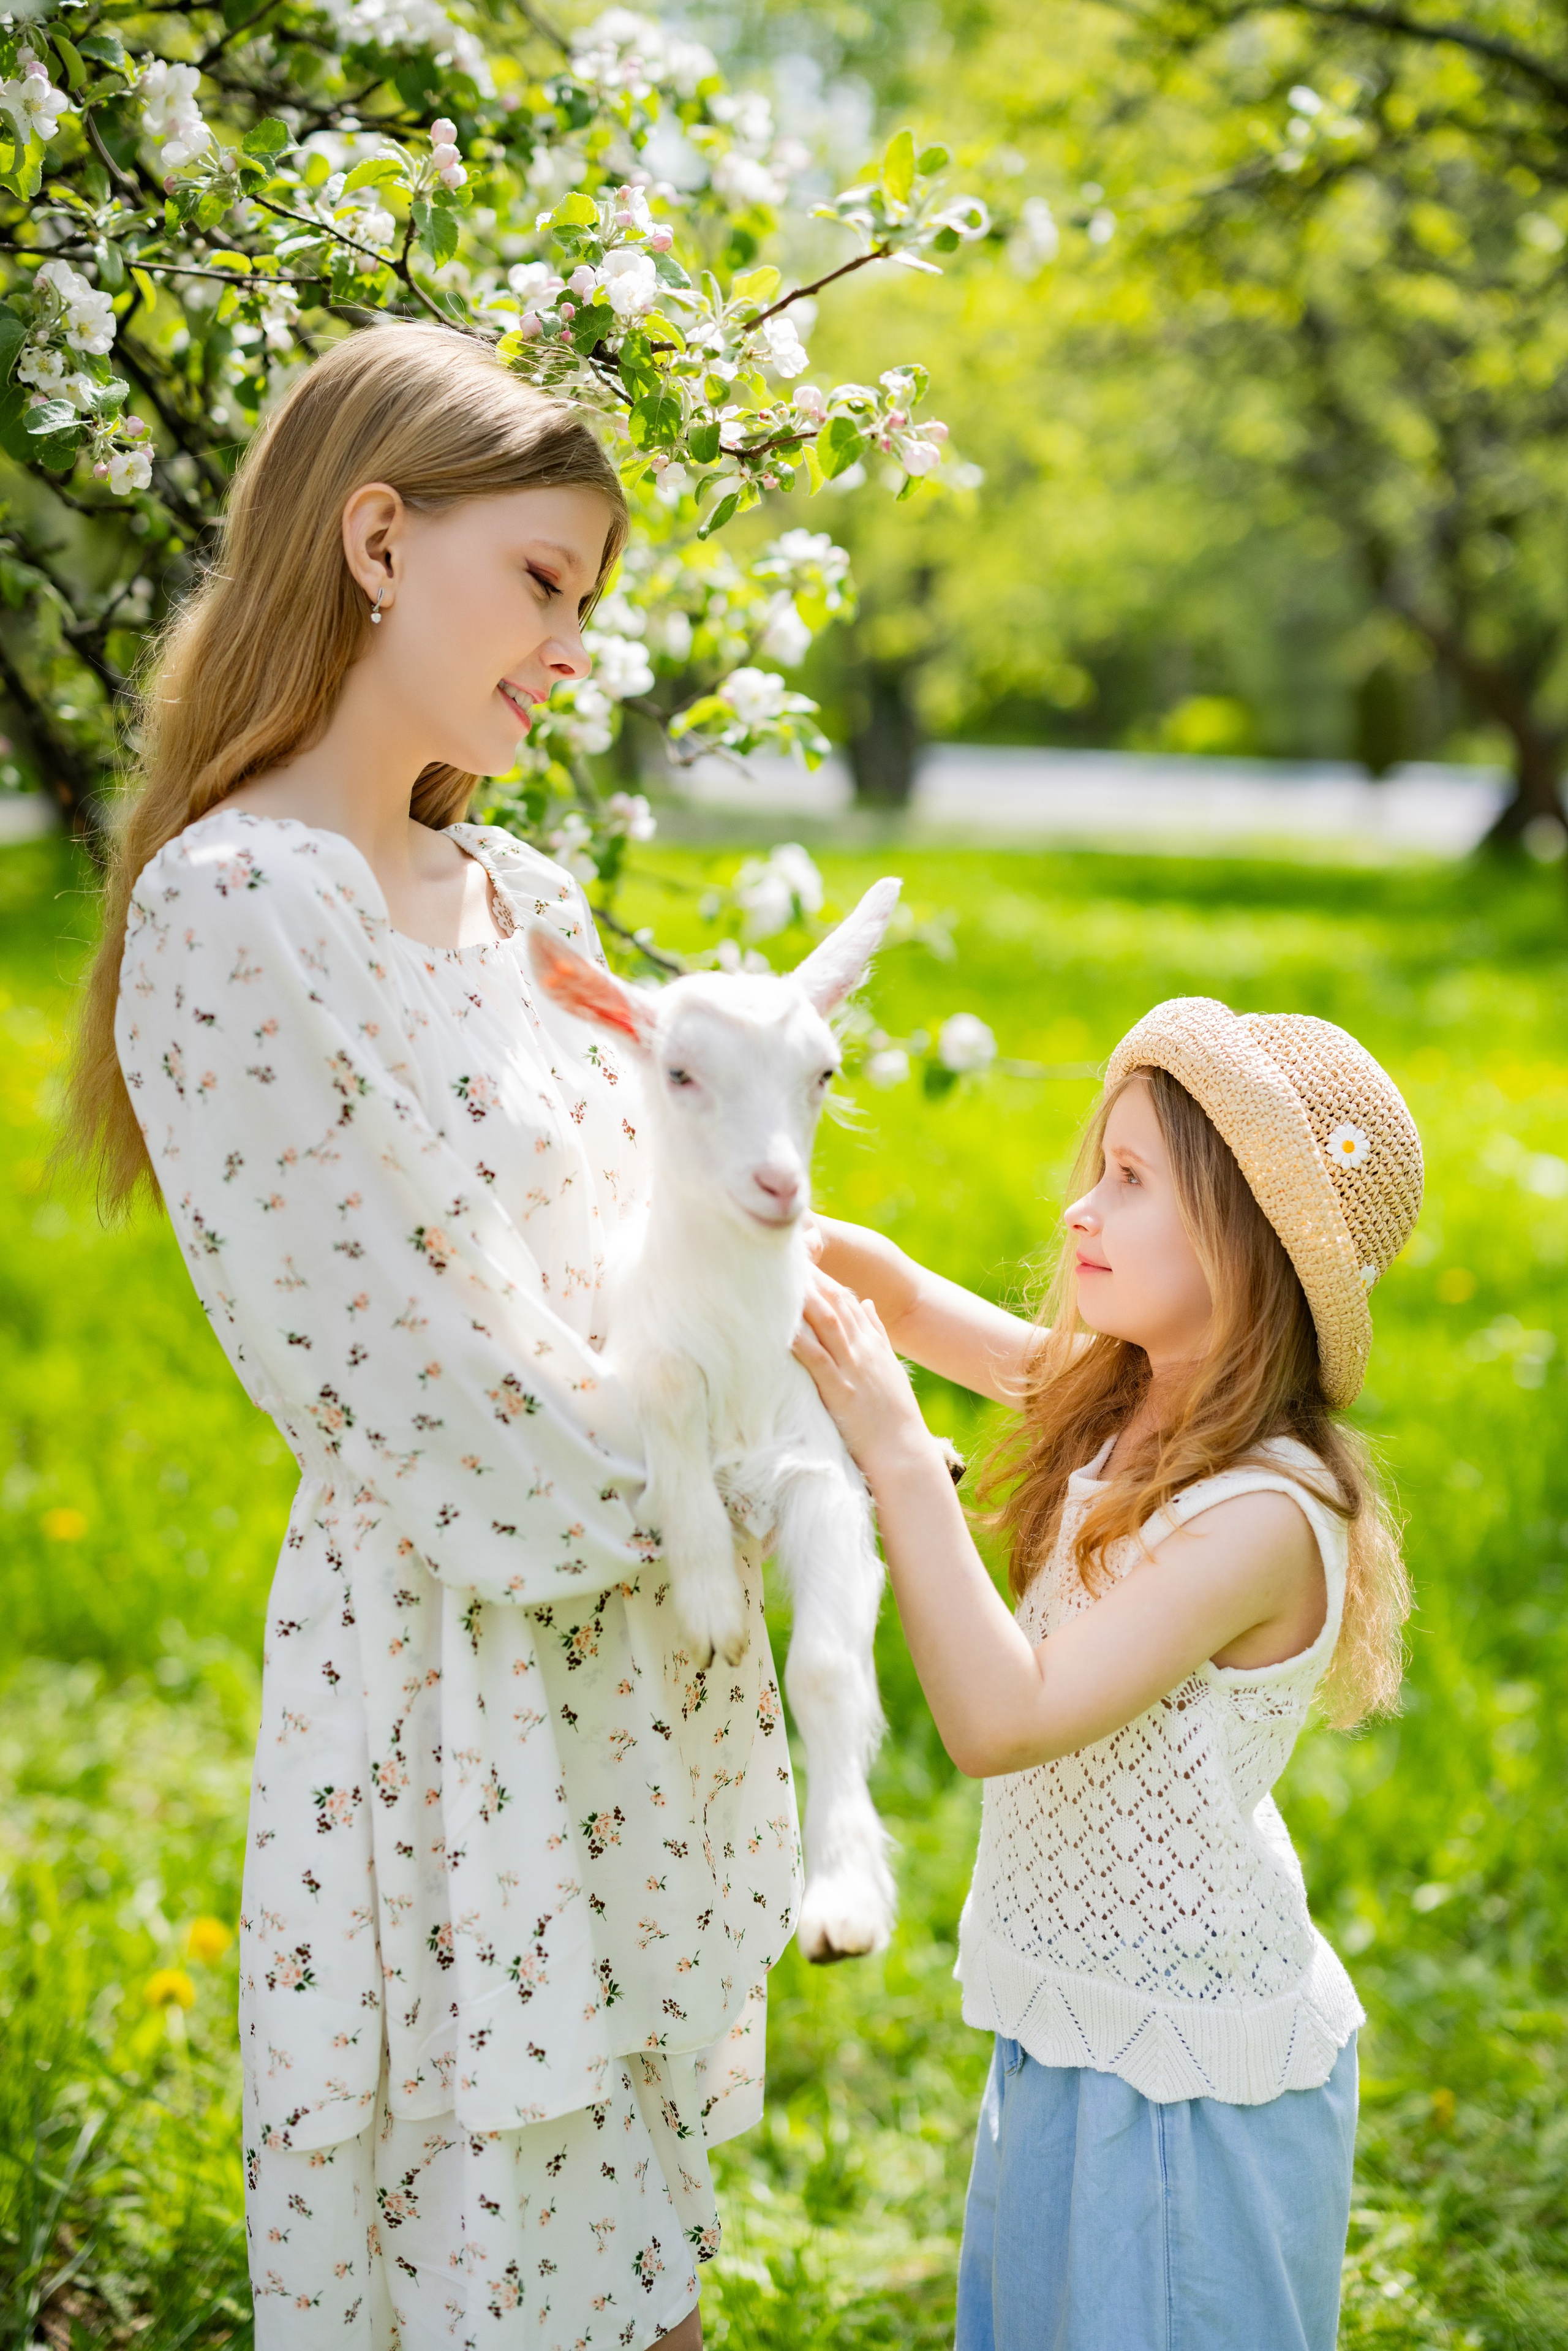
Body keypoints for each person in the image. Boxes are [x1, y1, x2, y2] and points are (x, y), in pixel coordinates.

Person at [67, 320, 800, 2350]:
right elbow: (432, 1396)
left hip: (623, 1686)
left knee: (644, 2276)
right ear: (379, 540)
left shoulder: (523, 895)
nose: (572, 647)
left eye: (591, 601)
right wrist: (746, 1476)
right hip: (443, 1691)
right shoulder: (240, 908)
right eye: (543, 580)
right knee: (483, 2267)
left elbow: (670, 1258)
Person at [796, 997, 1423, 2351]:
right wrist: (750, 1215)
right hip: (1075, 2023)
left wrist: (900, 1457)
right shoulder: (1125, 1403)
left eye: (1132, 1179)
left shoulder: (1262, 1514)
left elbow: (1003, 1716)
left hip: (1187, 2082)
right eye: (1100, 1166)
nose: (1081, 1206)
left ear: (1248, 1244)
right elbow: (900, 1298)